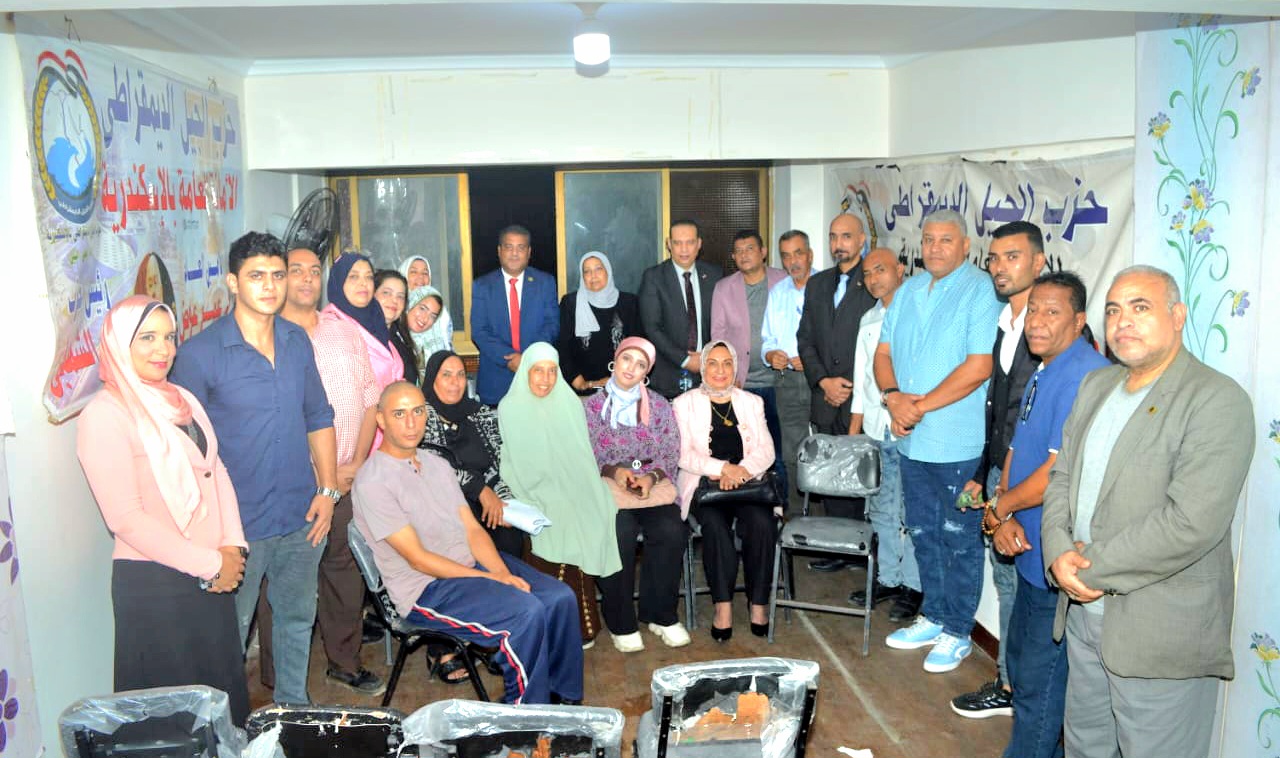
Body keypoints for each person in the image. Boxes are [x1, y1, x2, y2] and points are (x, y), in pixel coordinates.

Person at [1042, 266, 1253, 758]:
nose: (1123, 322)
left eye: (1141, 307)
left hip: (1158, 633)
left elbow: (1191, 523)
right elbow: (1062, 479)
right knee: (1085, 748)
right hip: (1083, 616)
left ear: (1177, 316)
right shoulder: (1097, 385)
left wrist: (1086, 566)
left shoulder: (1216, 400)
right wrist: (1056, 551)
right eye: (1114, 310)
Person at [171, 231, 338, 707]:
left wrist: (328, 491)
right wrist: (211, 530)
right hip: (236, 527)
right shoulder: (199, 355)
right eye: (256, 276)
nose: (270, 286)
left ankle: (293, 712)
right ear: (233, 282)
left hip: (301, 517)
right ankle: (227, 727)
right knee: (230, 633)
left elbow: (318, 415)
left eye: (277, 275)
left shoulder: (296, 341)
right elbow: (185, 453)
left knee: (296, 620)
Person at [353, 382, 584, 705]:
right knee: (526, 613)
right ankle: (526, 716)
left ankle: (564, 700)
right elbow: (418, 559)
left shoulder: (436, 464)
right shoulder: (373, 481)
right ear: (381, 420)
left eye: (418, 412)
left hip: (468, 566)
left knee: (560, 598)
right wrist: (493, 579)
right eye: (399, 414)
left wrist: (501, 573)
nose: (411, 423)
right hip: (426, 587)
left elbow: (472, 529)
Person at [77, 296, 250, 725]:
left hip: (211, 575)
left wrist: (233, 545)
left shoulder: (181, 398)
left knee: (220, 702)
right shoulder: (104, 414)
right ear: (119, 344)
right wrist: (211, 564)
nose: (163, 349)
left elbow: (215, 469)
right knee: (171, 722)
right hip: (156, 585)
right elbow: (125, 519)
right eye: (147, 338)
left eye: (169, 337)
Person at [980, 272, 1108, 757]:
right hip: (1028, 549)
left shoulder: (1084, 375)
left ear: (1079, 321)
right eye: (1033, 310)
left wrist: (1002, 507)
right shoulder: (1042, 367)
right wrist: (1004, 510)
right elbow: (1017, 446)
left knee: (1039, 687)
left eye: (1052, 312)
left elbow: (1057, 472)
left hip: (1057, 555)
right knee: (1020, 667)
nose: (1036, 321)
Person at [877, 209, 1002, 673]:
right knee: (923, 534)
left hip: (958, 445)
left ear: (966, 246)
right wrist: (893, 398)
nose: (934, 248)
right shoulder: (909, 290)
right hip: (911, 443)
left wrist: (918, 406)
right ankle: (932, 616)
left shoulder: (981, 291)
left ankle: (958, 631)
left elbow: (979, 367)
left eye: (946, 240)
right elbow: (883, 353)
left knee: (959, 540)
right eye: (928, 239)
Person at [259, 246, 384, 696]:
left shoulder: (344, 332)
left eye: (315, 271)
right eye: (297, 271)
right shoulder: (268, 336)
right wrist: (318, 476)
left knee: (342, 571)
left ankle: (344, 662)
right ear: (280, 278)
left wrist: (356, 464)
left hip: (345, 479)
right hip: (293, 487)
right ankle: (278, 678)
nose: (307, 279)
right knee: (282, 581)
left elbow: (370, 399)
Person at [951, 220, 1047, 717]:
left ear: (1039, 262)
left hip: (1035, 483)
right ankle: (1010, 684)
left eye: (1013, 257)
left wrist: (1009, 493)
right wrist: (982, 471)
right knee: (1007, 582)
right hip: (1000, 475)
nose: (1000, 267)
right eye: (994, 258)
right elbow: (1000, 410)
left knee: (1033, 588)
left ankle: (1022, 691)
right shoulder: (1005, 324)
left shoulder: (1051, 327)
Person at [498, 342, 622, 647]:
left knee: (593, 506)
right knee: (561, 515)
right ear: (526, 372)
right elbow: (518, 464)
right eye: (538, 370)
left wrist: (583, 488)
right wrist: (548, 491)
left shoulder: (569, 403)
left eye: (552, 371)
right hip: (529, 486)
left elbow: (582, 458)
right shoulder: (510, 407)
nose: (545, 378)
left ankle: (583, 621)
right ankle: (573, 625)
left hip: (572, 483)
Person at [583, 337, 691, 652]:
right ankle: (621, 621)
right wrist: (614, 472)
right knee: (619, 532)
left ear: (647, 372)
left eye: (640, 364)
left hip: (652, 486)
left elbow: (671, 451)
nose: (631, 368)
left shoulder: (659, 405)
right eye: (627, 359)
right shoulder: (591, 407)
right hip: (609, 488)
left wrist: (650, 476)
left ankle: (660, 615)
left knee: (671, 529)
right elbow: (584, 454)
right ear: (615, 361)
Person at [673, 340, 777, 642]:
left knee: (762, 524)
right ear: (703, 368)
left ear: (735, 367)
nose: (720, 370)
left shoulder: (752, 402)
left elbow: (767, 450)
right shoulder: (683, 403)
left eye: (727, 363)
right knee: (715, 528)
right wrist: (723, 469)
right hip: (706, 486)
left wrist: (742, 471)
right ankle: (723, 606)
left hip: (748, 485)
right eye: (713, 363)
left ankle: (759, 604)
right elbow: (683, 454)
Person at [795, 213, 877, 571]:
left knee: (861, 475)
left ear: (861, 240)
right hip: (825, 396)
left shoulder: (872, 280)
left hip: (861, 399)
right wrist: (823, 381)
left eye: (846, 236)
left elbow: (879, 344)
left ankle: (862, 549)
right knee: (830, 476)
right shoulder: (817, 284)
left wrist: (849, 386)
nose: (838, 243)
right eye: (833, 236)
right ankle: (835, 549)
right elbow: (805, 339)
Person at [847, 247, 921, 623]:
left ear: (900, 268)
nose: (873, 279)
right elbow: (862, 379)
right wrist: (854, 433)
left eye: (880, 270)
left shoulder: (919, 310)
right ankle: (889, 579)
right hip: (875, 430)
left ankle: (914, 586)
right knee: (880, 508)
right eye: (867, 274)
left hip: (908, 428)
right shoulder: (868, 317)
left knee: (910, 510)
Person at [420, 351, 525, 559]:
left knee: (510, 537)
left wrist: (504, 501)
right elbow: (432, 467)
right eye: (446, 375)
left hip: (487, 497)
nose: (455, 382)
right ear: (432, 379)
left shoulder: (480, 413)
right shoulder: (421, 417)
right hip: (447, 502)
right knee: (473, 541)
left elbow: (498, 463)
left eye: (460, 374)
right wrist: (479, 489)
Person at [711, 230, 788, 495]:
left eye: (750, 249)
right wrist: (729, 377)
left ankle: (780, 504)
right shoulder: (724, 288)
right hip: (742, 384)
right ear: (733, 257)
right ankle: (753, 500)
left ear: (763, 252)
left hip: (780, 382)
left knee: (780, 449)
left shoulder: (783, 280)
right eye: (739, 251)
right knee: (748, 449)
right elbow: (718, 336)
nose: (744, 255)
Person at [761, 230, 819, 511]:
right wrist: (771, 355)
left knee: (823, 448)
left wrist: (812, 359)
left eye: (798, 253)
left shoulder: (827, 287)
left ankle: (824, 518)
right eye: (786, 256)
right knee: (791, 452)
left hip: (820, 381)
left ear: (810, 255)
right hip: (786, 381)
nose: (792, 261)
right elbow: (767, 340)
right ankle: (797, 517)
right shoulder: (778, 292)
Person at [470, 225, 559, 405]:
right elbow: (479, 331)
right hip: (496, 380)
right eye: (509, 247)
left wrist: (527, 358)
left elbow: (552, 325)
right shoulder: (482, 286)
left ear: (529, 252)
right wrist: (509, 358)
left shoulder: (545, 283)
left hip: (536, 376)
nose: (514, 253)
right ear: (499, 251)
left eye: (521, 247)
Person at [638, 219, 724, 399]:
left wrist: (709, 356)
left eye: (690, 242)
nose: (684, 249)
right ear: (669, 244)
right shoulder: (654, 277)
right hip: (668, 377)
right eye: (677, 243)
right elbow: (652, 328)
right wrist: (685, 360)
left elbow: (723, 322)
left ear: (699, 244)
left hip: (710, 374)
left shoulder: (715, 275)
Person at [557, 251, 640, 393]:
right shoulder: (570, 303)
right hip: (581, 386)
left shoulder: (629, 302)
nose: (593, 275)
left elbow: (637, 345)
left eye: (598, 269)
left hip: (622, 385)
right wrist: (578, 381)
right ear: (582, 276)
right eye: (587, 271)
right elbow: (562, 345)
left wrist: (619, 379)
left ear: (608, 271)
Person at [323, 252, 404, 391]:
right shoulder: (331, 327)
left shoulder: (376, 321)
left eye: (369, 277)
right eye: (354, 277)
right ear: (339, 281)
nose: (363, 283)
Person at [375, 269, 417, 386]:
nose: (394, 300)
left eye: (400, 296)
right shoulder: (360, 338)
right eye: (386, 293)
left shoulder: (401, 342)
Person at [405, 285, 451, 380]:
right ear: (411, 304)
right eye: (422, 309)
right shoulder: (393, 339)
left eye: (433, 316)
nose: (425, 318)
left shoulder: (436, 345)